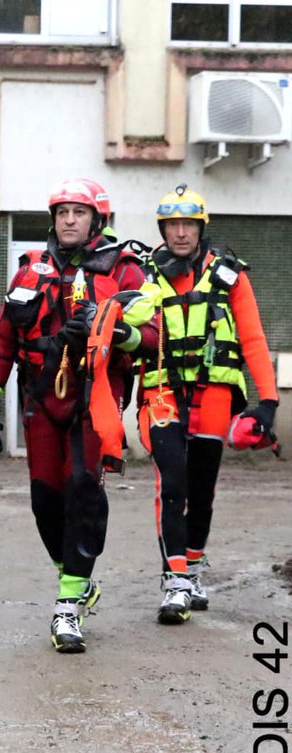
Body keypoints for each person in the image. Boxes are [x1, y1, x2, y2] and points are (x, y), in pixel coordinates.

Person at [0, 178, 158, 654]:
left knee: (82, 489)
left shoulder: (125, 268)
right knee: (44, 500)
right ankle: (76, 577)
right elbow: (3, 339)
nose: (69, 220)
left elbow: (154, 338)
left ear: (97, 220)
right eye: (62, 212)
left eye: (79, 212)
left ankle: (68, 604)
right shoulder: (30, 269)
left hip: (95, 395)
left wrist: (109, 328)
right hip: (40, 397)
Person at [135, 185, 279, 623]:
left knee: (201, 490)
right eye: (172, 225)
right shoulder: (143, 275)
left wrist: (268, 400)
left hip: (213, 393)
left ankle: (193, 569)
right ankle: (175, 580)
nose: (180, 233)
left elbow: (252, 339)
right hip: (162, 392)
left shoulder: (230, 275)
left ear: (201, 228)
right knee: (171, 483)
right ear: (163, 229)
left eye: (188, 224)